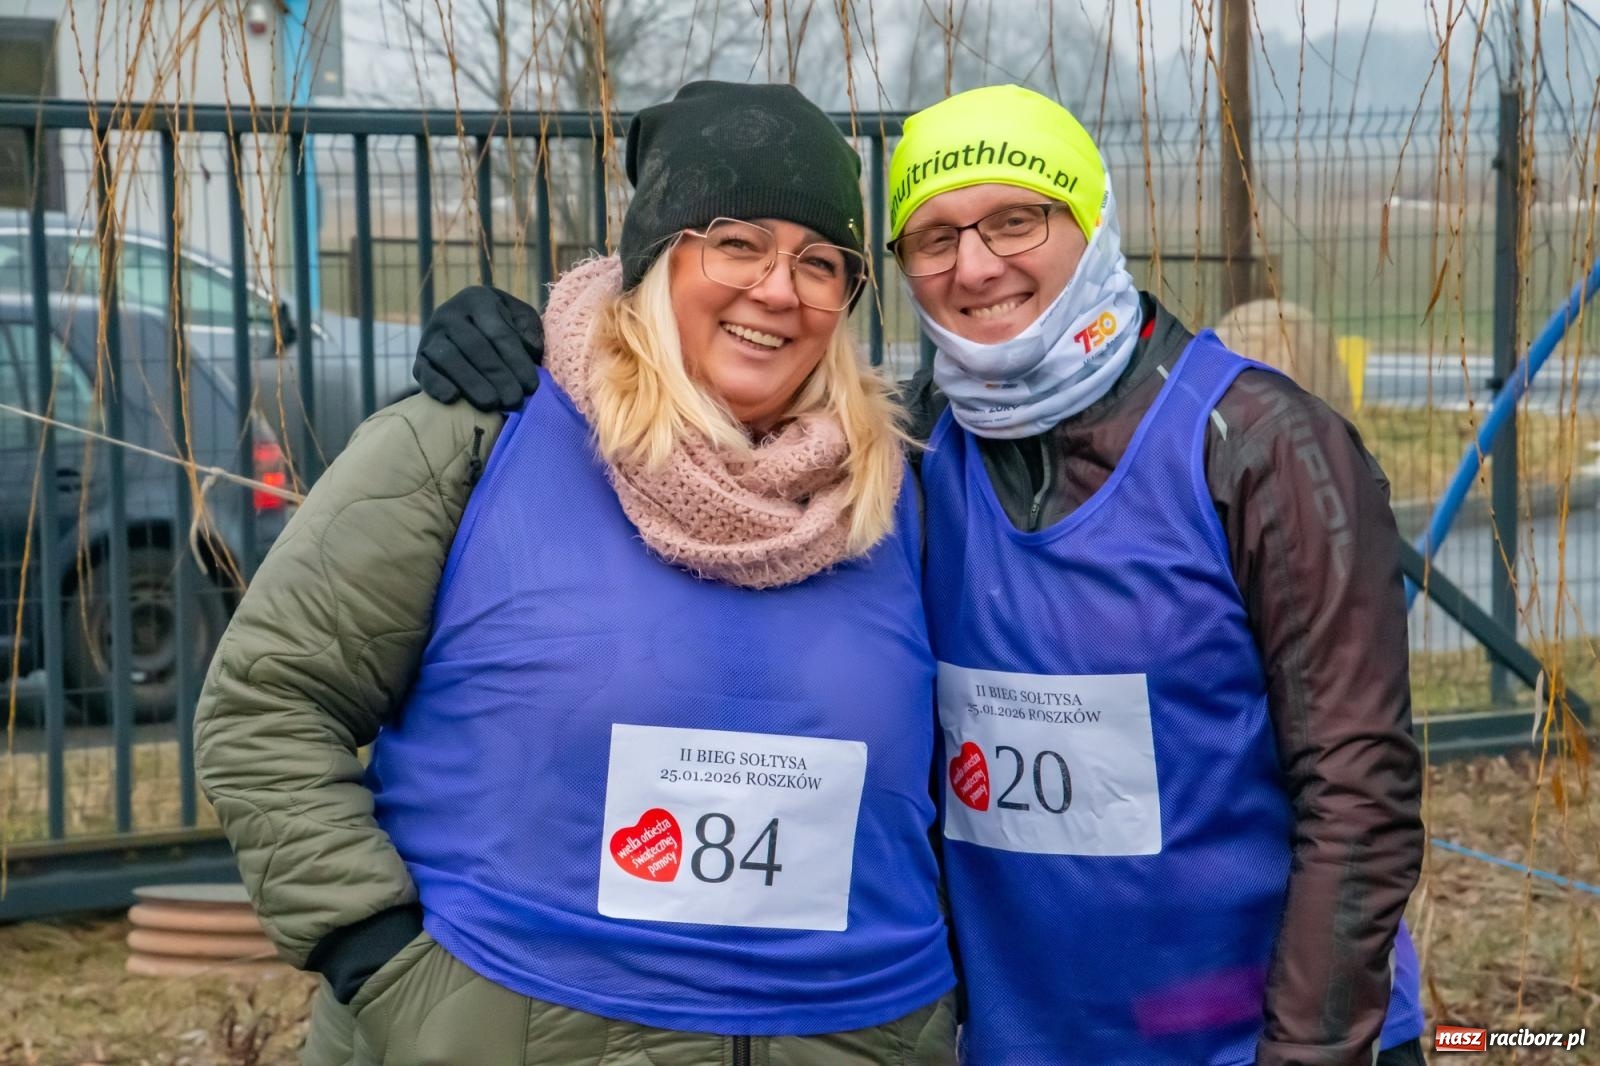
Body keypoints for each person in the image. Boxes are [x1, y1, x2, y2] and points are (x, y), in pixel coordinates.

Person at [420, 83, 1427, 1066]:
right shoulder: (913, 460)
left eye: (1016, 221)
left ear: (1090, 221)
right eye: (933, 238)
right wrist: (534, 339)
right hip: (1021, 1040)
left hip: (1251, 1034)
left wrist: (1309, 1047)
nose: (976, 265)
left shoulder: (1255, 444)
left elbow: (1358, 786)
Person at [194, 80, 958, 1065]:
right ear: (655, 257)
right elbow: (268, 705)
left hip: (854, 1031)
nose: (778, 288)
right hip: (519, 1023)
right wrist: (385, 966)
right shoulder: (474, 440)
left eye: (820, 261)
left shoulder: (899, 487)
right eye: (736, 242)